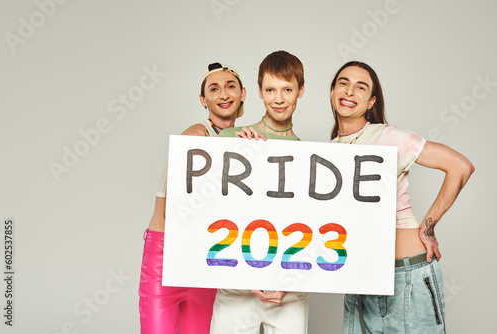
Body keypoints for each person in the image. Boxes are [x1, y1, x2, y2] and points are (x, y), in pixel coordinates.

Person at [328, 61, 474, 334]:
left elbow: (460, 166)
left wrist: (428, 227)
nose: (349, 92)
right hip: (361, 279)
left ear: (371, 101)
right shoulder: (328, 152)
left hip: (405, 275)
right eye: (343, 83)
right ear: (332, 91)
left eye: (361, 87)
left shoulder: (388, 136)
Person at [138, 62, 246, 334]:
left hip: (203, 254)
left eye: (230, 87)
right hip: (165, 252)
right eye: (214, 89)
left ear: (242, 93)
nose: (223, 95)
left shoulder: (240, 141)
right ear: (203, 99)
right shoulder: (197, 134)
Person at [210, 50, 308, 334]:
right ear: (259, 92)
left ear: (301, 90)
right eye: (270, 90)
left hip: (288, 289)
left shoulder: (312, 156)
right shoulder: (231, 138)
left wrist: (285, 280)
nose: (279, 99)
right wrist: (239, 153)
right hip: (236, 284)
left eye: (287, 89)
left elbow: (306, 223)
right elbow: (210, 207)